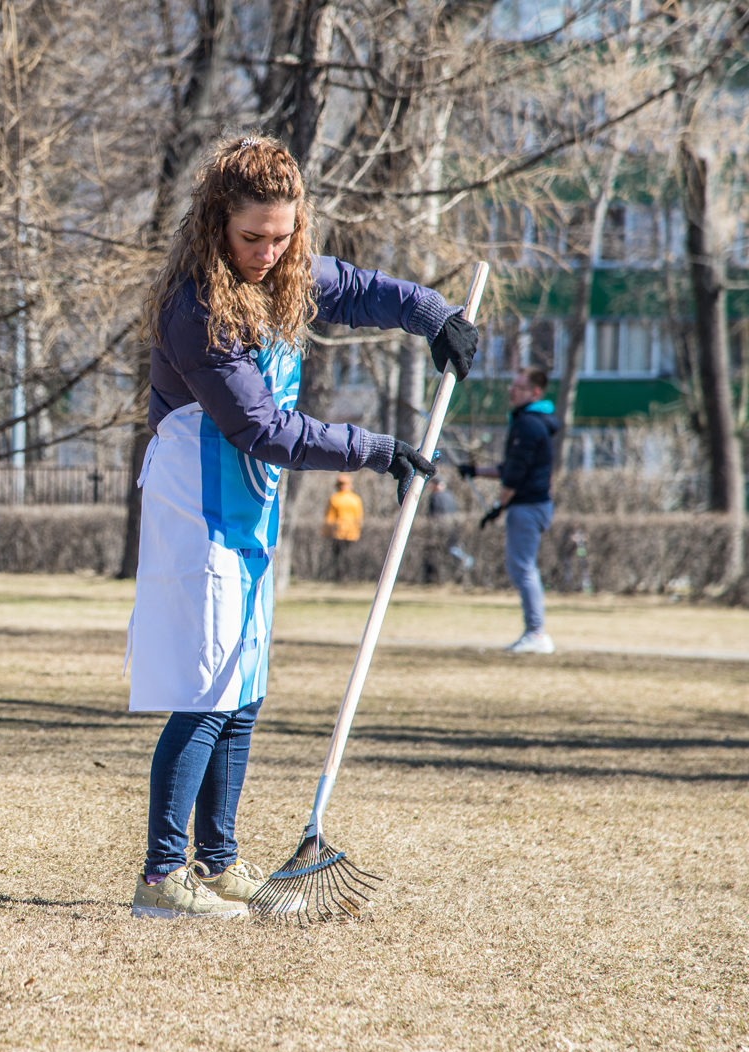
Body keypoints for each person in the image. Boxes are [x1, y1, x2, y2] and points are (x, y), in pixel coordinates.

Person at [126, 134, 478, 919]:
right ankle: (160, 875)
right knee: (206, 690)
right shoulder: (194, 309)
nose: (268, 252)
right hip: (196, 512)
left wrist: (434, 315)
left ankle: (218, 863)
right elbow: (260, 427)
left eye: (282, 237)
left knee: (242, 690)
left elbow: (353, 288)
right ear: (215, 222)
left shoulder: (285, 272)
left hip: (249, 510)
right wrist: (374, 448)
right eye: (251, 236)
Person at [459, 367, 559, 654]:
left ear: (535, 392)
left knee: (523, 568)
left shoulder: (528, 425)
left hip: (527, 506)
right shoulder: (533, 422)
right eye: (512, 385)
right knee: (522, 568)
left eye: (518, 387)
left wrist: (497, 507)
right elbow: (510, 468)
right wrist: (476, 471)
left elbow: (514, 475)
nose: (511, 391)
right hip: (532, 504)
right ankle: (535, 631)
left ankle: (536, 633)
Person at [321, 473, 363, 580]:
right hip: (351, 532)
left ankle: (339, 576)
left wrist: (325, 531)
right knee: (348, 555)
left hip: (337, 532)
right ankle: (348, 576)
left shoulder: (335, 499)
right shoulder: (355, 499)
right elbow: (358, 518)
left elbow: (329, 518)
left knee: (337, 555)